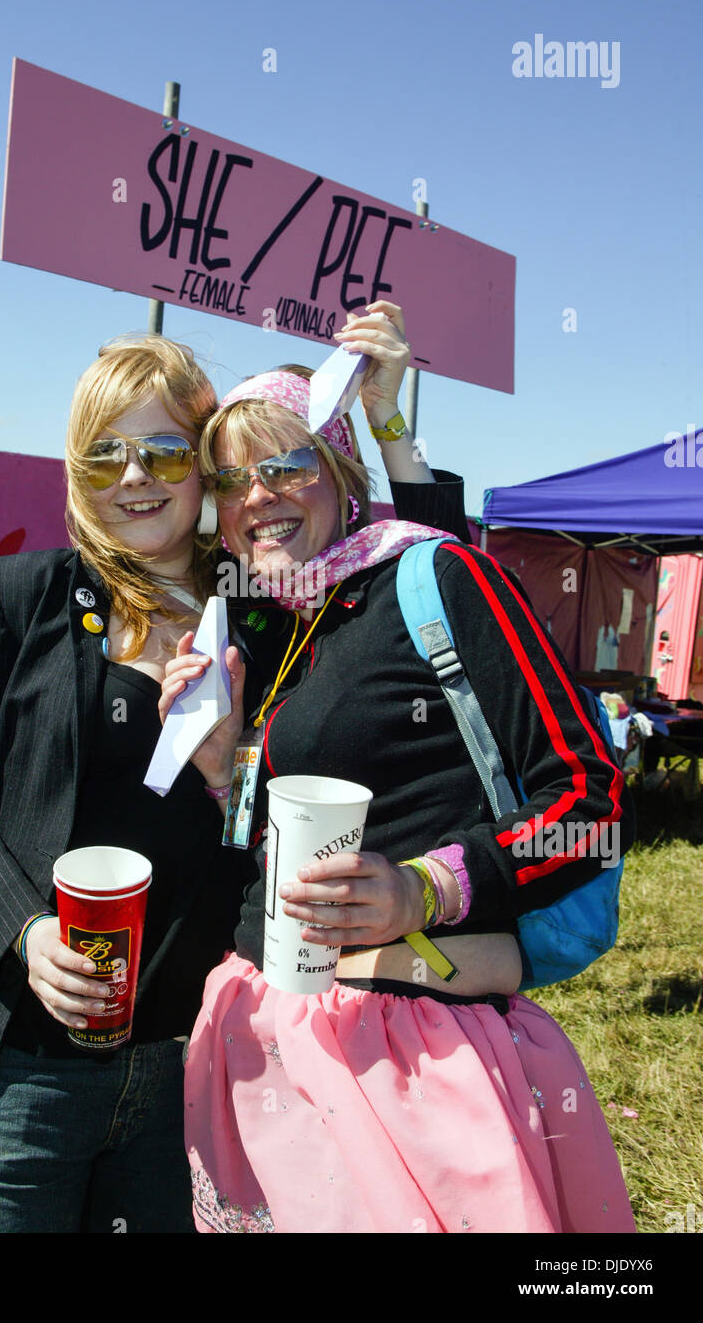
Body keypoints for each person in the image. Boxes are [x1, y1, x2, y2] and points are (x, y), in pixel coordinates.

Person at [0, 306, 465, 1233]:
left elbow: (431, 595)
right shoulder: (19, 601)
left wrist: (393, 425)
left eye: (162, 453)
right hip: (12, 1077)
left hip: (193, 1069)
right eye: (102, 456)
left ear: (206, 465)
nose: (133, 479)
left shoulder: (269, 606)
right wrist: (26, 932)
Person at [161, 364, 638, 1234]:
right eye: (231, 478)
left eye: (287, 466)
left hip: (409, 1057)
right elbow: (265, 847)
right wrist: (226, 768)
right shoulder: (282, 626)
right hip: (270, 1040)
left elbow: (593, 805)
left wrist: (425, 887)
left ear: (342, 474)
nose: (256, 495)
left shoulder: (438, 579)